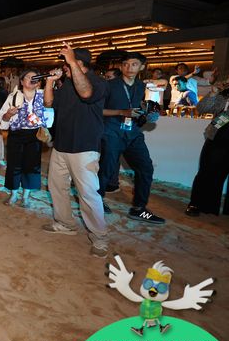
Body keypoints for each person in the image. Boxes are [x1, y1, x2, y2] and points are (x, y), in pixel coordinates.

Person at [42, 45, 109, 258]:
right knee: (57, 187)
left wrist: (71, 62)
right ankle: (65, 223)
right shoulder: (67, 85)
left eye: (67, 62)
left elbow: (86, 93)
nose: (64, 66)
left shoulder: (97, 82)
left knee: (88, 194)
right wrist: (49, 82)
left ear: (79, 63)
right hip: (61, 145)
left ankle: (99, 237)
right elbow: (48, 103)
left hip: (85, 147)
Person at [98, 52, 164, 224]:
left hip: (133, 133)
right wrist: (121, 112)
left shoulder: (141, 86)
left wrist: (147, 114)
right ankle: (96, 202)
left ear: (142, 67)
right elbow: (97, 110)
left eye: (134, 64)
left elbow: (136, 108)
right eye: (126, 64)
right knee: (106, 169)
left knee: (146, 168)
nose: (129, 68)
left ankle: (139, 208)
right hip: (111, 132)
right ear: (121, 67)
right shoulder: (108, 85)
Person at [0, 69, 50, 207]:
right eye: (28, 77)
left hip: (35, 135)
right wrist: (9, 114)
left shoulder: (43, 95)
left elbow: (50, 108)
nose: (32, 79)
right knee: (14, 165)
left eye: (35, 77)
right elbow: (3, 118)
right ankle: (14, 194)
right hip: (16, 134)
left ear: (38, 82)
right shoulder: (13, 96)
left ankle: (26, 196)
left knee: (31, 166)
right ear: (22, 81)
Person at [185, 81, 229, 217]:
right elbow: (201, 109)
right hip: (218, 138)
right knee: (206, 172)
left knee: (219, 175)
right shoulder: (223, 96)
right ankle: (197, 204)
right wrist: (213, 93)